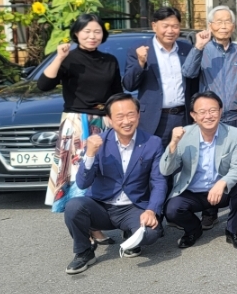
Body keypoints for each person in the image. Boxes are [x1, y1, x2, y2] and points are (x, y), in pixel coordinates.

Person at [39, 14, 122, 247]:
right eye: (86, 31)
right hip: (76, 123)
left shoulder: (109, 60)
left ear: (103, 34)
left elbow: (117, 92)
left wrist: (115, 117)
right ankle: (86, 229)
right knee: (78, 175)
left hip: (103, 123)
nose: (92, 36)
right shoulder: (68, 59)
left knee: (101, 172)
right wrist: (59, 57)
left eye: (97, 31)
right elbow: (43, 85)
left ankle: (96, 224)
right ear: (76, 33)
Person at [63, 93, 166, 274]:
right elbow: (82, 183)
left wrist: (152, 210)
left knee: (151, 233)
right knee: (73, 206)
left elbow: (159, 181)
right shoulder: (98, 142)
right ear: (109, 119)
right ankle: (84, 252)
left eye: (131, 114)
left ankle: (130, 233)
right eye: (119, 116)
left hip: (133, 208)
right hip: (101, 206)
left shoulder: (153, 142)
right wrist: (90, 154)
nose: (126, 121)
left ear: (138, 115)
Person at [161, 91, 237, 249]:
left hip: (220, 192)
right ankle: (193, 229)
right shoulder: (184, 135)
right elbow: (165, 170)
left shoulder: (234, 134)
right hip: (192, 193)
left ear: (220, 111)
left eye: (213, 110)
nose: (208, 116)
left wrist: (222, 183)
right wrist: (173, 144)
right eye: (202, 112)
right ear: (193, 115)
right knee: (172, 209)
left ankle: (233, 230)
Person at [182, 6, 237, 157]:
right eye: (219, 22)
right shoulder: (202, 50)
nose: (223, 26)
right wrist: (198, 47)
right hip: (209, 118)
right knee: (209, 163)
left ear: (233, 26)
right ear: (210, 26)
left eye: (227, 22)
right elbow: (188, 72)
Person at [122, 6, 197, 148]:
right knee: (152, 158)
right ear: (154, 26)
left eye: (175, 26)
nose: (170, 31)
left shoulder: (187, 50)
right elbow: (129, 85)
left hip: (183, 117)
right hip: (153, 119)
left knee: (183, 158)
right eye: (165, 26)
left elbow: (194, 84)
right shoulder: (139, 50)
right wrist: (140, 63)